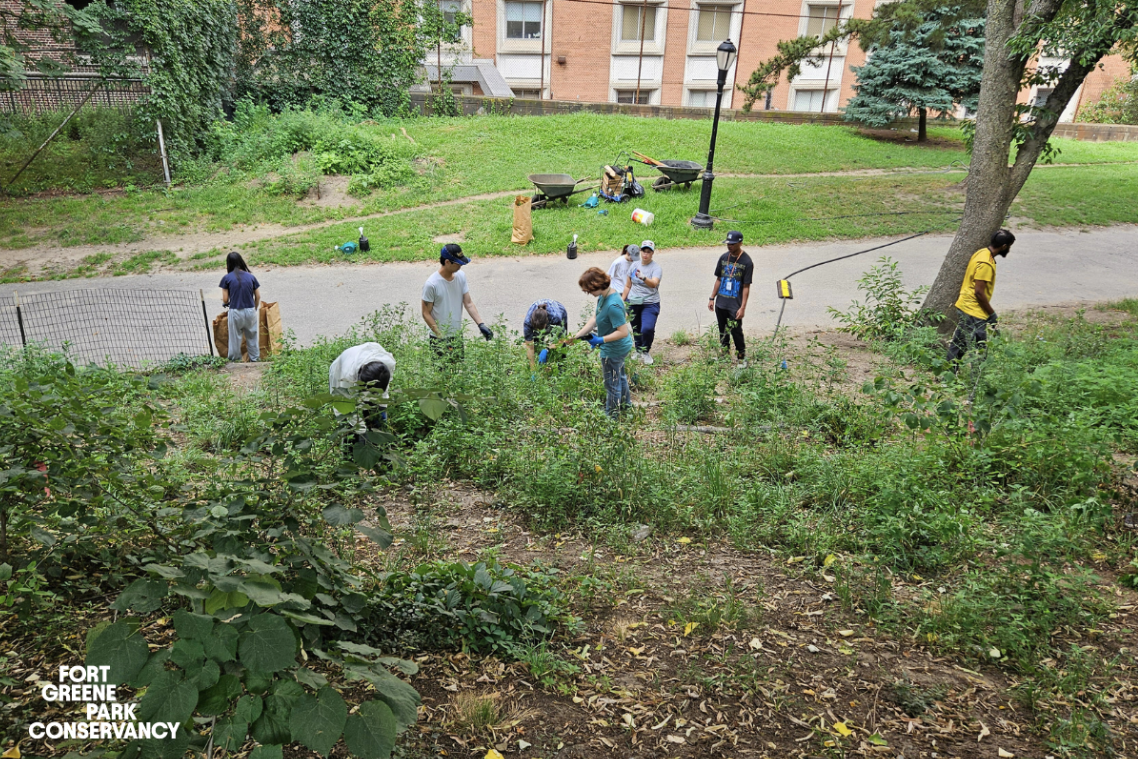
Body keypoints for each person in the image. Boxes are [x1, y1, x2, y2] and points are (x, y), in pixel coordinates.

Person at [947, 229, 1015, 365]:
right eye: (1009, 246)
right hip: (972, 310)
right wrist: (991, 314)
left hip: (968, 306)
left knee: (962, 343)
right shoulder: (986, 264)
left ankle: (950, 373)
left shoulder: (982, 252)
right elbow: (979, 292)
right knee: (977, 347)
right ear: (1004, 247)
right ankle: (970, 377)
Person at [572, 267, 634, 418]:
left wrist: (601, 339)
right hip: (617, 347)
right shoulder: (604, 296)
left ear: (596, 285)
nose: (588, 293)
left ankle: (611, 417)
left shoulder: (612, 305)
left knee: (612, 384)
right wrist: (577, 336)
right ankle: (626, 405)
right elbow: (595, 318)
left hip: (614, 350)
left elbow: (623, 331)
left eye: (588, 289)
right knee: (620, 376)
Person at [421, 243, 494, 361]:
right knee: (441, 375)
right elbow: (426, 313)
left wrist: (481, 324)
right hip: (438, 338)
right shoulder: (431, 284)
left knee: (458, 372)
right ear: (447, 262)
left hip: (456, 336)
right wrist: (441, 337)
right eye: (458, 263)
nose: (461, 265)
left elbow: (468, 303)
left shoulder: (461, 276)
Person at [329, 342, 396, 432]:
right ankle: (347, 433)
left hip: (362, 357)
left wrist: (382, 410)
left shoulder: (386, 366)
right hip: (342, 366)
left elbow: (383, 391)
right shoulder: (346, 375)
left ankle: (373, 423)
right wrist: (360, 430)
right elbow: (347, 404)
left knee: (374, 407)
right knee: (343, 411)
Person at [708, 230, 754, 363]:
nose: (729, 246)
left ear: (740, 243)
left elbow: (746, 286)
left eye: (733, 244)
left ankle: (741, 357)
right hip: (721, 302)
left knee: (736, 332)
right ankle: (725, 355)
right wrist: (712, 298)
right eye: (728, 243)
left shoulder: (747, 262)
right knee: (722, 331)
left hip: (735, 305)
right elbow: (719, 279)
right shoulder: (723, 258)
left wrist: (743, 307)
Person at [622, 239, 662, 365]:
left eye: (648, 252)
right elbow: (628, 285)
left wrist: (643, 277)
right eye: (643, 251)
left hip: (650, 303)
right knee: (636, 327)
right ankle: (639, 349)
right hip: (634, 301)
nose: (645, 254)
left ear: (652, 253)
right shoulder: (634, 265)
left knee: (647, 328)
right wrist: (622, 301)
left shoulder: (656, 268)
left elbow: (654, 283)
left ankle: (646, 351)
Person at [219, 251, 261, 362]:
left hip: (236, 311)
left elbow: (225, 299)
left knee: (235, 338)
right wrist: (255, 308)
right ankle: (255, 359)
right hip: (250, 310)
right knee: (252, 336)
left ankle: (235, 361)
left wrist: (225, 301)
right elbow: (258, 296)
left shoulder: (227, 278)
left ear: (228, 264)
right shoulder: (251, 277)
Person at [523, 299, 569, 368]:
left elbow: (561, 340)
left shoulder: (556, 317)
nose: (539, 332)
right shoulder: (527, 322)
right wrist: (533, 369)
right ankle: (540, 364)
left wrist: (547, 349)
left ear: (546, 323)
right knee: (536, 342)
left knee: (562, 346)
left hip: (560, 311)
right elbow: (530, 346)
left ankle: (562, 365)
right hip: (540, 318)